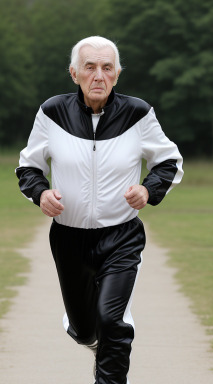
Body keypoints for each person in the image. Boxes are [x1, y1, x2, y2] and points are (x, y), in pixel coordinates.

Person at [16, 36, 184, 384]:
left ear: (117, 74)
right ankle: (89, 335)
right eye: (90, 67)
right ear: (74, 73)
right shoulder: (52, 112)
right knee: (83, 330)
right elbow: (28, 167)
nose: (98, 75)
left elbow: (169, 161)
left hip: (121, 235)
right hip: (68, 238)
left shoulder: (138, 113)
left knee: (112, 322)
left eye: (107, 67)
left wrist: (147, 189)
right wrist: (41, 193)